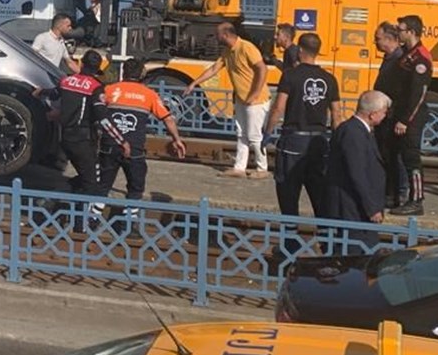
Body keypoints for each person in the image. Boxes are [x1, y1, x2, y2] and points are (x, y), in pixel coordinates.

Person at [39, 50, 126, 220]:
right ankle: (76, 222)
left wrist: (39, 91)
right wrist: (121, 141)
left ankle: (55, 201)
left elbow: (53, 94)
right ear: (97, 68)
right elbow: (103, 117)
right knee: (91, 184)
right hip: (83, 140)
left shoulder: (66, 81)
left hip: (65, 137)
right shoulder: (95, 87)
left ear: (82, 64)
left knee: (87, 177)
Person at [264, 33, 341, 218]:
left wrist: (267, 132)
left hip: (293, 140)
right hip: (319, 142)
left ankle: (290, 242)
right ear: (317, 52)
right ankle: (325, 241)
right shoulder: (329, 79)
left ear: (300, 50)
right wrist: (337, 142)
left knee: (288, 193)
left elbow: (278, 108)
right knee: (320, 195)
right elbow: (336, 114)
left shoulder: (291, 76)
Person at [99, 59, 187, 215]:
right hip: (135, 148)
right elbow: (167, 118)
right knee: (135, 187)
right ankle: (129, 224)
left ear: (124, 72)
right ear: (141, 74)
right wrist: (177, 140)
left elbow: (98, 114)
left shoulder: (110, 90)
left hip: (109, 145)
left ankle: (91, 220)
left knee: (103, 185)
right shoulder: (149, 95)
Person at [185, 22, 271, 179]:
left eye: (217, 34)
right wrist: (194, 83)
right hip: (241, 98)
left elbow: (262, 69)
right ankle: (239, 168)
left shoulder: (246, 47)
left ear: (225, 35)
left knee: (254, 135)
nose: (216, 37)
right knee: (242, 134)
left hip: (256, 100)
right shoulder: (227, 52)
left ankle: (262, 168)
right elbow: (213, 69)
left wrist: (255, 93)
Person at [324, 91, 390, 249]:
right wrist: (372, 208)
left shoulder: (358, 130)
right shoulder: (353, 133)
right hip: (352, 209)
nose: (385, 115)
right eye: (384, 112)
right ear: (373, 114)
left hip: (356, 207)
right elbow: (357, 173)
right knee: (356, 253)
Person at [386, 14, 433, 216]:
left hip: (411, 117)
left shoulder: (421, 57)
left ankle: (417, 200)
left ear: (411, 32)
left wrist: (405, 120)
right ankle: (397, 195)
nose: (398, 33)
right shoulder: (408, 53)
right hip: (399, 112)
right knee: (396, 155)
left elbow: (418, 93)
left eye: (401, 30)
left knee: (411, 158)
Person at [371, 22, 407, 209]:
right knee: (385, 154)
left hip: (390, 116)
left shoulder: (399, 60)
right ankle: (389, 191)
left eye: (377, 38)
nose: (374, 42)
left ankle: (397, 193)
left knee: (393, 155)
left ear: (389, 39)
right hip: (383, 115)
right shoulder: (389, 58)